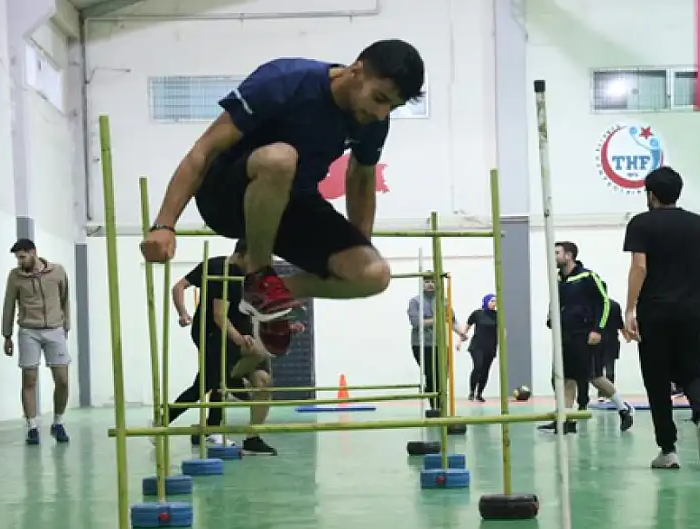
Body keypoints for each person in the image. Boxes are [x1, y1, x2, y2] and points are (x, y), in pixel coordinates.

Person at [140, 40, 426, 357]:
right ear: (356, 71)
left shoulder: (372, 120)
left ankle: (267, 293)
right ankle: (259, 273)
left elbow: (361, 176)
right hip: (226, 195)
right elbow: (204, 150)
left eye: (392, 107)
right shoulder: (283, 81)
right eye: (379, 98)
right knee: (281, 159)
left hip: (293, 203)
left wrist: (356, 245)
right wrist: (164, 224)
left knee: (373, 275)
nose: (381, 113)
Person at [623, 166, 700, 469]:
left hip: (655, 311)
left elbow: (639, 267)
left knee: (657, 380)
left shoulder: (640, 224)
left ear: (651, 195)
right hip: (694, 310)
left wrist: (630, 309)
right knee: (692, 371)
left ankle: (668, 450)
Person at [164, 240, 280, 455]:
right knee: (208, 382)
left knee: (263, 382)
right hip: (212, 333)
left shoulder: (252, 276)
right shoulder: (219, 270)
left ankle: (252, 437)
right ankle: (165, 421)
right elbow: (217, 314)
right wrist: (183, 312)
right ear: (242, 254)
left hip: (240, 334)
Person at [540, 242, 633, 434]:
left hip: (587, 336)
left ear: (569, 255)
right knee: (567, 379)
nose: (553, 256)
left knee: (595, 377)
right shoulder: (558, 279)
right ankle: (567, 419)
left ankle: (624, 409)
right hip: (566, 336)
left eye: (557, 252)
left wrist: (598, 329)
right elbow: (555, 302)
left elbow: (605, 303)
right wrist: (551, 316)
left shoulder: (589, 277)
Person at [2, 238, 71, 446]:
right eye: (17, 258)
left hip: (54, 330)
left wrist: (65, 326)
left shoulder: (57, 272)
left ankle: (58, 422)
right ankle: (32, 426)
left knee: (62, 380)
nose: (19, 261)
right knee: (29, 379)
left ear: (33, 252)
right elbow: (8, 305)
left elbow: (65, 298)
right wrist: (7, 335)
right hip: (28, 331)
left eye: (22, 257)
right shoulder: (15, 277)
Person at [408, 277, 468, 417]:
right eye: (427, 281)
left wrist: (461, 333)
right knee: (431, 374)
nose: (430, 284)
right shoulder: (415, 302)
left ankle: (442, 406)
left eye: (433, 281)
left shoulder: (444, 301)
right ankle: (434, 406)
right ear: (422, 284)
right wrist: (438, 319)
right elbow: (417, 323)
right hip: (422, 345)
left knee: (442, 375)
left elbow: (451, 320)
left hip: (441, 344)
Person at [577, 297, 625, 409]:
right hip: (610, 341)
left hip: (595, 342)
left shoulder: (592, 306)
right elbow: (620, 324)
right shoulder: (614, 305)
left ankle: (585, 400)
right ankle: (607, 397)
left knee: (592, 373)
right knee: (607, 371)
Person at [461, 294, 498, 402]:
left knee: (485, 370)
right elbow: (467, 327)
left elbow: (502, 329)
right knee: (478, 366)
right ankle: (472, 391)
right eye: (491, 301)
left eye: (495, 301)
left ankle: (479, 393)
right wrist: (460, 340)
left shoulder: (497, 315)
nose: (494, 303)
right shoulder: (478, 313)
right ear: (486, 301)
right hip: (477, 346)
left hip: (490, 346)